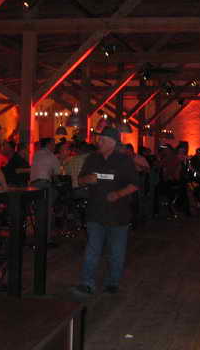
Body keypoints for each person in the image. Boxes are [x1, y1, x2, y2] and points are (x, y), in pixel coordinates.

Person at [71, 127, 139, 296]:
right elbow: (80, 180)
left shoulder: (124, 160)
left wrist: (118, 194)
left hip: (118, 215)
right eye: (99, 139)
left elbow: (134, 185)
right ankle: (87, 283)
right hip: (95, 212)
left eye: (102, 139)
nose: (98, 142)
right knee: (92, 250)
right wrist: (87, 179)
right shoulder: (92, 159)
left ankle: (112, 283)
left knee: (116, 252)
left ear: (112, 142)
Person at [30, 138, 61, 241]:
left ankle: (38, 236)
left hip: (32, 186)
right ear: (48, 144)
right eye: (53, 144)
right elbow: (57, 174)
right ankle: (46, 239)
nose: (55, 146)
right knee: (47, 210)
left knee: (39, 210)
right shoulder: (51, 156)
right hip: (44, 184)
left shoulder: (36, 154)